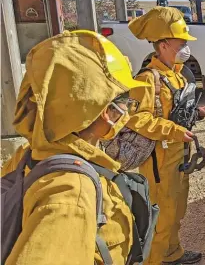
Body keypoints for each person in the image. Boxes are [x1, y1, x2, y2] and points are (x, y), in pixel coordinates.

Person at [2, 30, 148, 264]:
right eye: (122, 101)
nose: (126, 111)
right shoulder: (70, 194)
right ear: (103, 111)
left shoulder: (25, 157)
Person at [125, 6, 205, 265]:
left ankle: (172, 254)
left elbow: (174, 112)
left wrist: (197, 112)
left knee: (176, 211)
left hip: (179, 157)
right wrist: (175, 131)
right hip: (160, 161)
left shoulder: (175, 76)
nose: (185, 46)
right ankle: (155, 260)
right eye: (181, 42)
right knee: (161, 219)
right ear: (163, 45)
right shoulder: (147, 79)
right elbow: (137, 119)